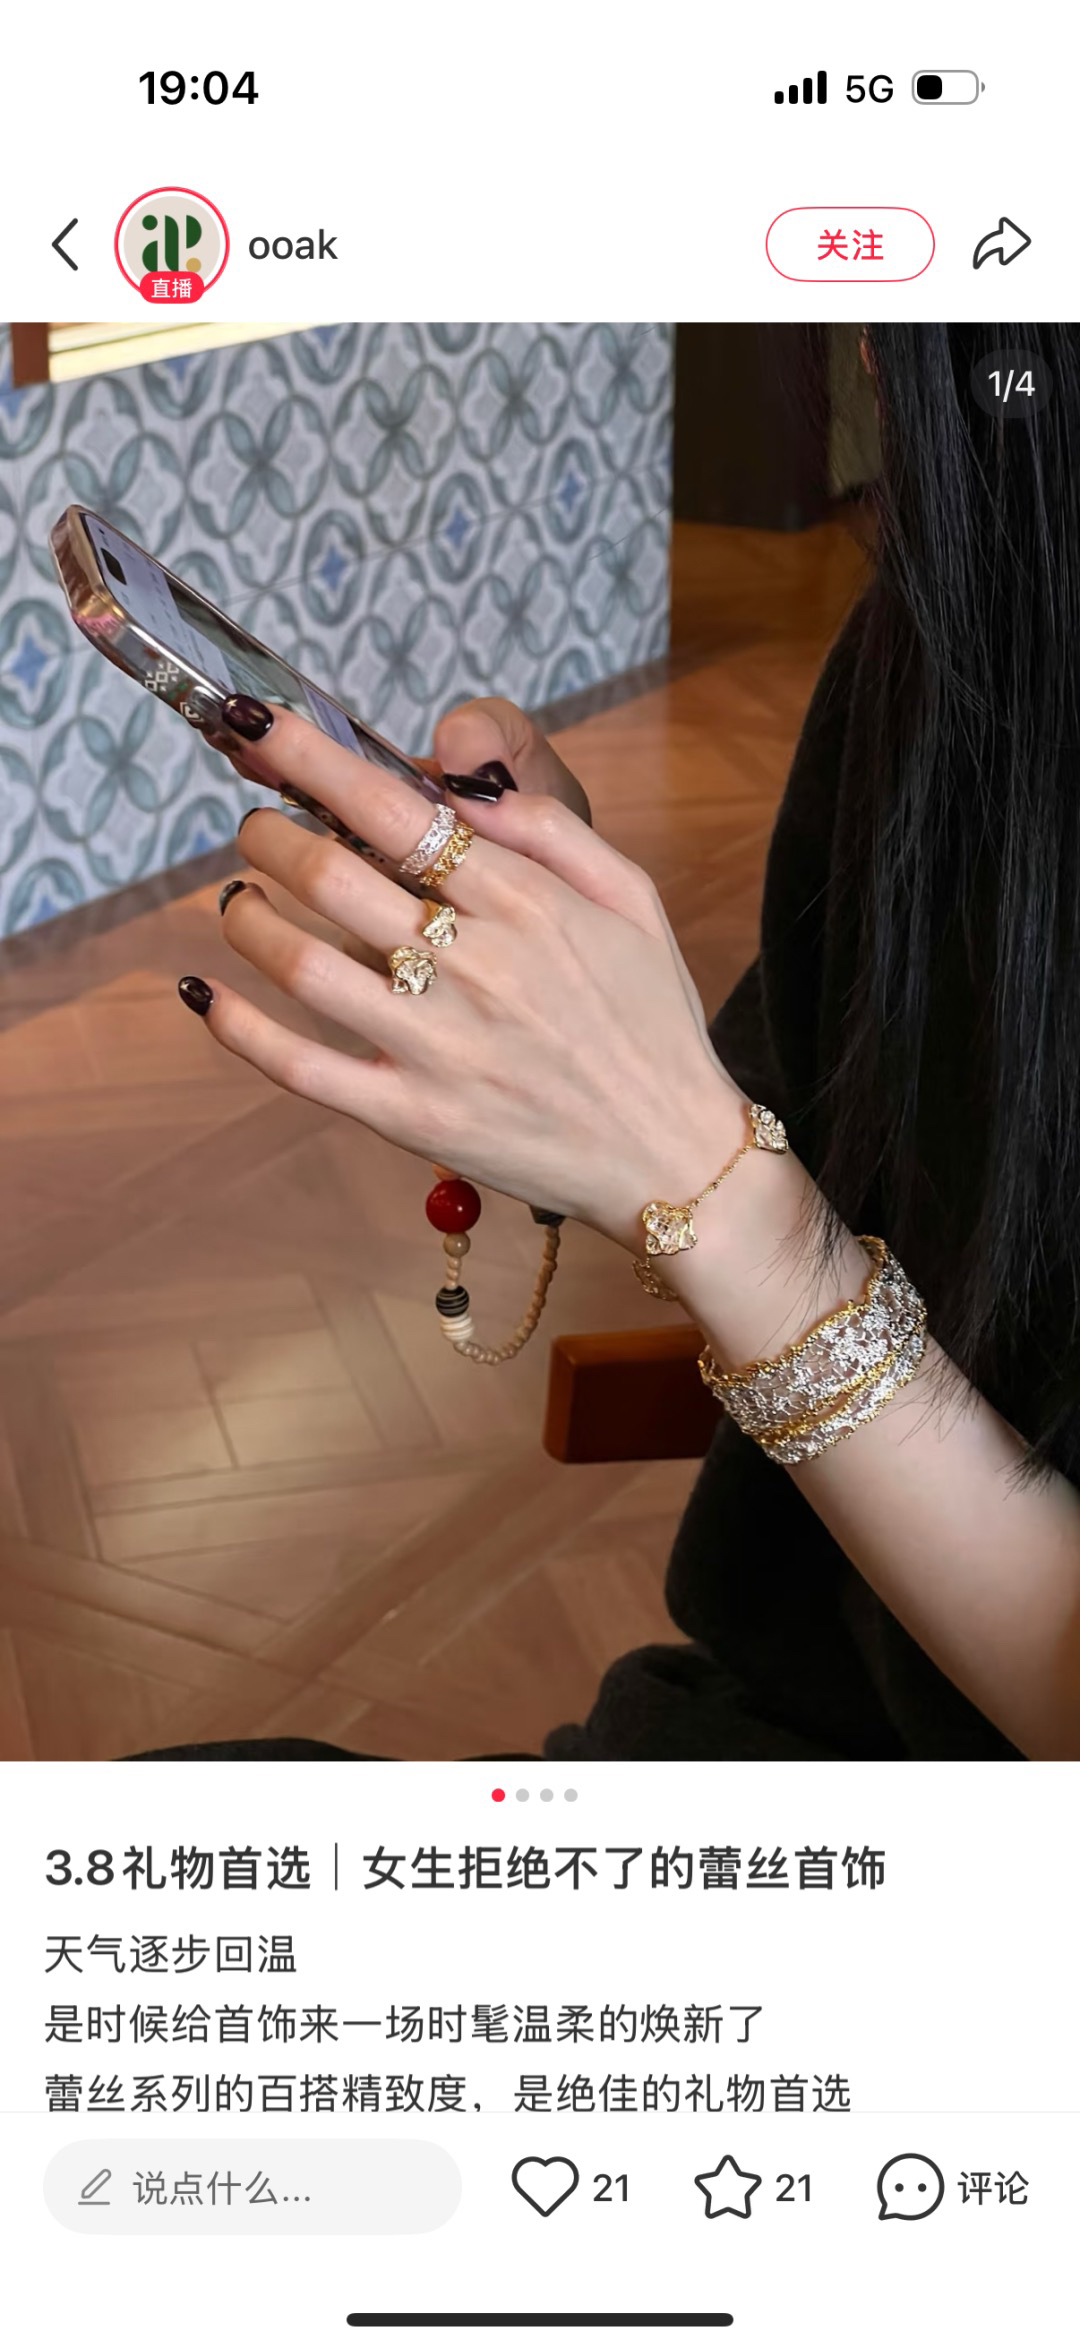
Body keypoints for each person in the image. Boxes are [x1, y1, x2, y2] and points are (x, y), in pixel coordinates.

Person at [153, 322, 1080, 1765]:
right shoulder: (949, 624)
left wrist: (716, 1194)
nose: (866, 352)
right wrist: (575, 980)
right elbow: (813, 1117)